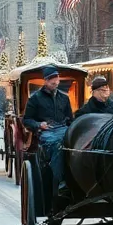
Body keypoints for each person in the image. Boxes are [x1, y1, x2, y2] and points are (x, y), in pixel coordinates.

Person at [23, 65, 74, 199]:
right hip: (47, 132)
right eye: (51, 79)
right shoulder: (35, 98)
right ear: (45, 80)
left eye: (56, 78)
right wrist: (39, 124)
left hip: (63, 129)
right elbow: (27, 120)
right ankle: (62, 181)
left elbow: (70, 119)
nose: (54, 81)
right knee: (59, 145)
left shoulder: (64, 98)